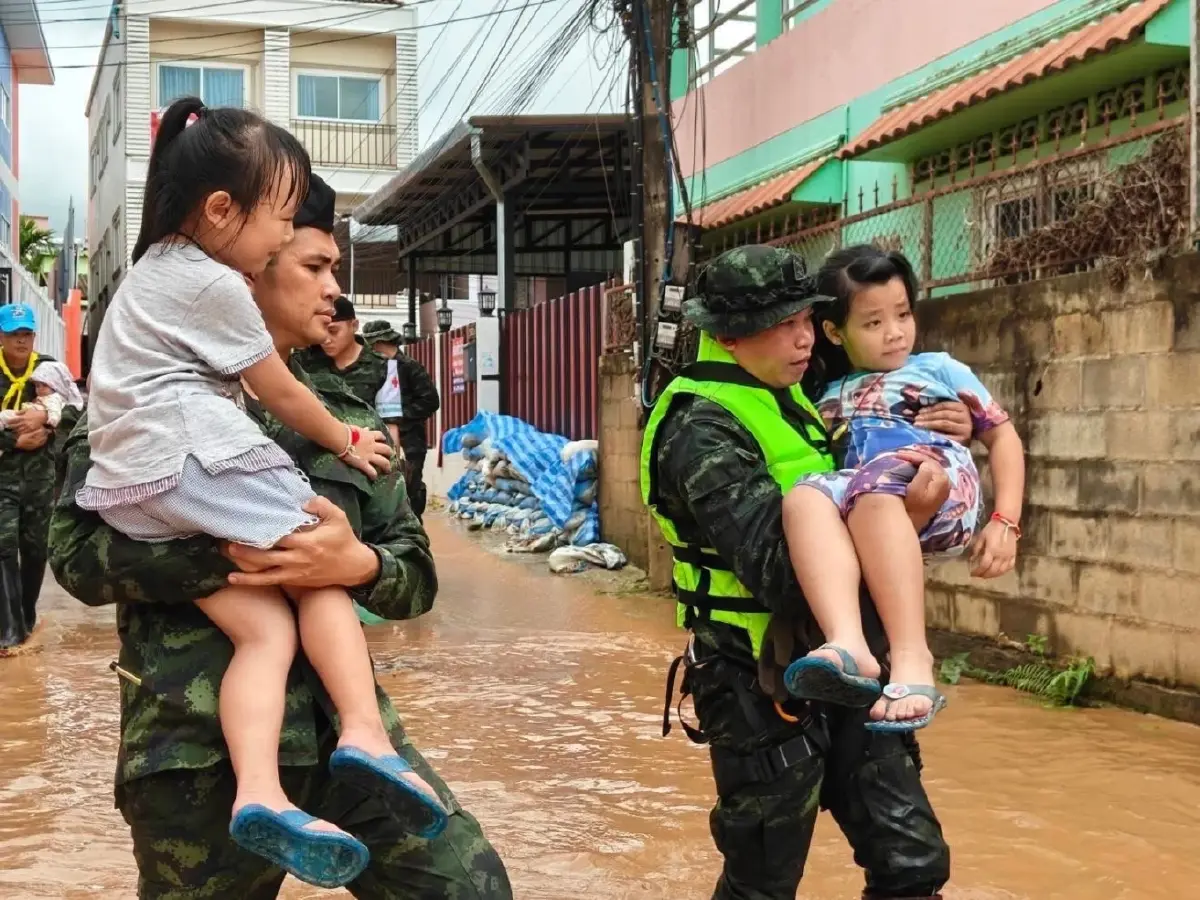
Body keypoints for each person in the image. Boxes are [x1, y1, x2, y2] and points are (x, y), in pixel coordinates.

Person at [49, 165, 511, 896]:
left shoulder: (350, 420)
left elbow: (413, 579)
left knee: (470, 889)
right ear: (251, 270)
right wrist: (241, 555)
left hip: (349, 743)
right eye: (315, 265)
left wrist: (353, 565)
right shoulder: (136, 407)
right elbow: (75, 559)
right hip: (194, 753)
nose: (334, 287)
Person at [641, 245, 972, 900]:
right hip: (758, 686)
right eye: (784, 322)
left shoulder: (796, 392)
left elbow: (884, 427)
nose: (804, 337)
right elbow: (780, 571)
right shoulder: (698, 427)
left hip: (856, 672)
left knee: (914, 864)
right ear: (730, 334)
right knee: (763, 881)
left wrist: (945, 428)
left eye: (807, 319)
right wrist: (899, 514)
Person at [782, 246, 1025, 730]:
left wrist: (1005, 523)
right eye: (873, 323)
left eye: (903, 314)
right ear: (834, 331)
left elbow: (1004, 436)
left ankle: (914, 658)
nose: (895, 332)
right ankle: (848, 641)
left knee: (875, 486)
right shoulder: (820, 393)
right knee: (805, 496)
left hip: (940, 485)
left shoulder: (939, 370)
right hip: (875, 505)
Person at [0, 302, 60, 650]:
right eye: (13, 335)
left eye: (26, 335)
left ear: (34, 336)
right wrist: (14, 440)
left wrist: (46, 426)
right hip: (3, 475)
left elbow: (73, 413)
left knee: (36, 550)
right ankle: (9, 629)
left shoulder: (49, 370)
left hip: (39, 478)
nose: (20, 342)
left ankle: (25, 616)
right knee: (4, 547)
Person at [296, 298, 407, 458]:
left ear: (354, 326)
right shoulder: (303, 362)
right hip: (312, 459)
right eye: (322, 331)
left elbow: (390, 424)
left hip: (365, 457)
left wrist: (392, 466)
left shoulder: (382, 367)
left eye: (333, 331)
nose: (326, 339)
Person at [360, 319, 440, 519]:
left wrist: (398, 416)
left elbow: (430, 400)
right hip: (378, 440)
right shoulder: (373, 368)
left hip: (409, 442)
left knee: (409, 491)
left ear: (381, 342)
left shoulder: (410, 367)